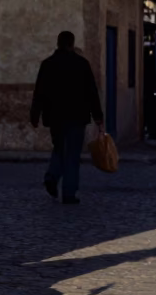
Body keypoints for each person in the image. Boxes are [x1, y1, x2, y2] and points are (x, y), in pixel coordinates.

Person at [30, 31, 104, 205]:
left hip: (54, 117)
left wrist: (35, 115)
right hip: (77, 117)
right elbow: (92, 93)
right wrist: (98, 117)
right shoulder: (82, 64)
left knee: (59, 148)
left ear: (58, 43)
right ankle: (69, 193)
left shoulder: (47, 64)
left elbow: (39, 92)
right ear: (72, 44)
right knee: (72, 154)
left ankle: (52, 176)